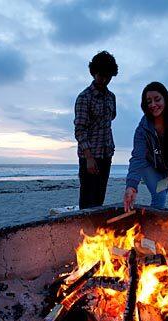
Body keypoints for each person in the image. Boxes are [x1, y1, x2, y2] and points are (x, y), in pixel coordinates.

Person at [123, 82, 168, 212]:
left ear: (165, 98)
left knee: (161, 194)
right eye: (148, 101)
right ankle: (151, 228)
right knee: (159, 196)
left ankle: (153, 225)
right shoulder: (143, 128)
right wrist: (131, 186)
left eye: (157, 99)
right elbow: (138, 158)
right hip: (149, 164)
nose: (153, 105)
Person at [74, 51, 118, 209]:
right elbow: (80, 130)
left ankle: (97, 233)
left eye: (108, 76)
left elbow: (111, 119)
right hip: (90, 157)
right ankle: (84, 232)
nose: (105, 80)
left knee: (99, 199)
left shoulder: (111, 97)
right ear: (93, 73)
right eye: (101, 75)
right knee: (87, 200)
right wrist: (89, 158)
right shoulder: (84, 97)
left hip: (106, 154)